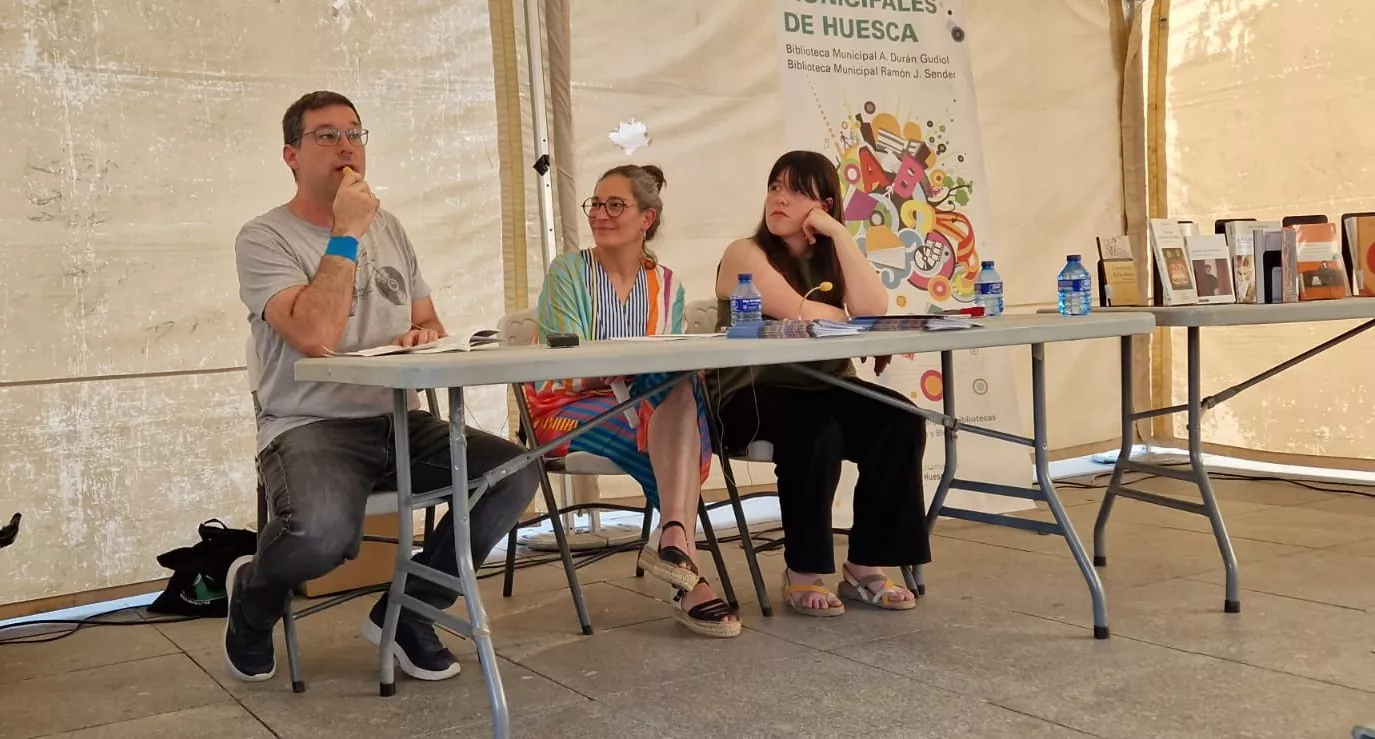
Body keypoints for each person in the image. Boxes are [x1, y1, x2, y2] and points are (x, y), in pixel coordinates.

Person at [228, 90, 539, 683]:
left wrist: (423, 335)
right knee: (320, 537)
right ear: (291, 155)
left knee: (514, 471)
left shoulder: (390, 228)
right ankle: (253, 597)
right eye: (326, 135)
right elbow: (314, 334)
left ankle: (410, 611)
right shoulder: (264, 237)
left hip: (399, 420)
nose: (346, 146)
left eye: (354, 133)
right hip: (310, 424)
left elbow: (428, 320)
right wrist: (346, 231)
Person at [708, 150, 928, 617]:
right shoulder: (744, 252)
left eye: (796, 191)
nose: (779, 199)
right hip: (748, 392)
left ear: (824, 205)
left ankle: (865, 564)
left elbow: (873, 310)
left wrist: (839, 235)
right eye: (774, 187)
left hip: (825, 386)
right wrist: (844, 316)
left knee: (901, 420)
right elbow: (801, 312)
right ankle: (803, 570)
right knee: (814, 427)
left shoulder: (832, 255)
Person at [528, 164, 741, 638]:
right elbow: (569, 370)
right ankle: (685, 560)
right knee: (678, 426)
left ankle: (675, 544)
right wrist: (642, 368)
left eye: (615, 205)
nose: (599, 214)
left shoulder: (669, 284)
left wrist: (661, 368)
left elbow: (666, 364)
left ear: (647, 218)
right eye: (596, 204)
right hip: (562, 409)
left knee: (681, 388)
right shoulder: (568, 272)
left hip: (640, 406)